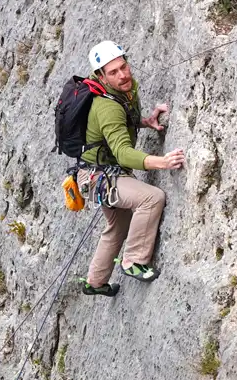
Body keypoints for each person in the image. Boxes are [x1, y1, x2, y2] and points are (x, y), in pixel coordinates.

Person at [79, 40, 185, 297]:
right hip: (96, 178)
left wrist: (146, 121)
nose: (122, 75)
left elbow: (123, 120)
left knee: (119, 225)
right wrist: (162, 161)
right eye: (113, 72)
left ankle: (95, 282)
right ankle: (134, 261)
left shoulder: (122, 91)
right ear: (101, 76)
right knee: (151, 198)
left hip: (100, 174)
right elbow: (123, 153)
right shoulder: (106, 105)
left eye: (123, 67)